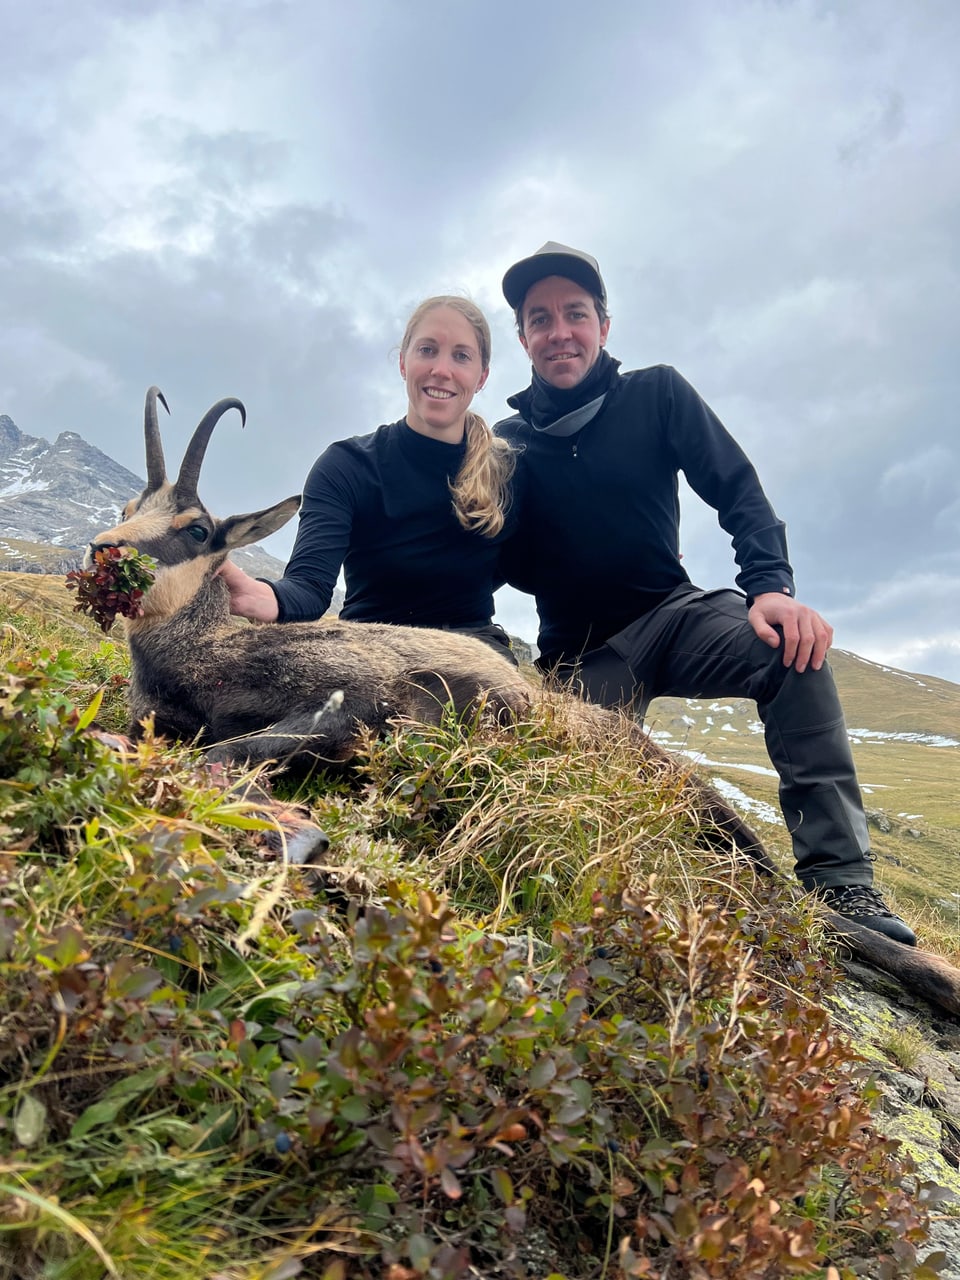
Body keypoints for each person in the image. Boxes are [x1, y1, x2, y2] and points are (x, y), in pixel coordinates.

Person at [495, 241, 916, 945]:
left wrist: (770, 588)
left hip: (675, 614)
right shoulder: (504, 442)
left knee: (793, 653)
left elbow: (738, 491)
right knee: (565, 795)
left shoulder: (658, 393)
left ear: (603, 325)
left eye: (574, 313)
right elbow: (488, 552)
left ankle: (842, 884)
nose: (558, 331)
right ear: (523, 338)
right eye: (540, 319)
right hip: (581, 656)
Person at [220, 296, 518, 660]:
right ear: (403, 363)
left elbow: (527, 566)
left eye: (461, 355)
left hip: (473, 653)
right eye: (427, 349)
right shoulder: (346, 466)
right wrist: (256, 595)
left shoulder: (507, 472)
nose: (442, 369)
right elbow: (308, 588)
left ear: (482, 376)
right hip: (366, 653)